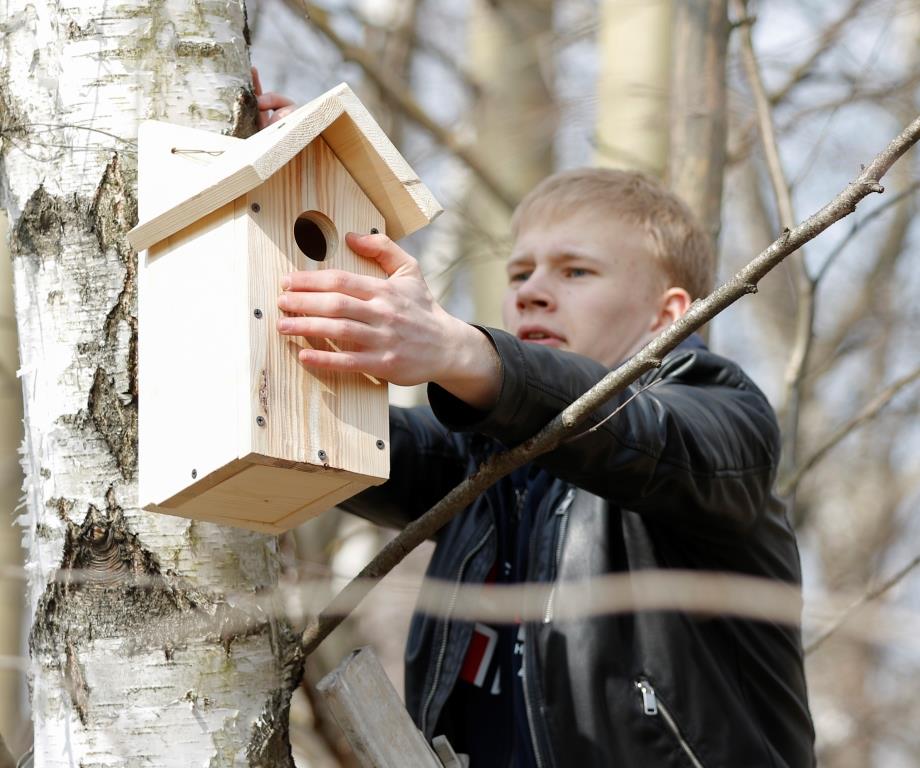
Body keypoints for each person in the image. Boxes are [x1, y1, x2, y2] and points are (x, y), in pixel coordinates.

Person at [258, 82, 815, 767]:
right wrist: (278, 221)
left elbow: (648, 439)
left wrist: (461, 352)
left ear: (669, 314)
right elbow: (341, 431)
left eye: (577, 270)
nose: (531, 289)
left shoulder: (720, 414)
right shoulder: (486, 456)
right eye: (520, 271)